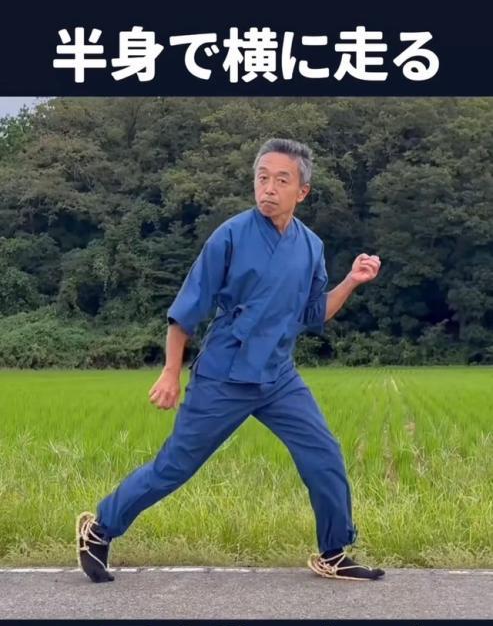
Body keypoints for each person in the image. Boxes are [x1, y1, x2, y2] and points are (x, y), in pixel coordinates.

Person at [77, 138, 384, 583]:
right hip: (225, 374)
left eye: (281, 180)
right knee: (175, 466)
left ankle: (333, 552)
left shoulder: (310, 246)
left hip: (278, 377)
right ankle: (99, 528)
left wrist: (352, 280)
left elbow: (315, 313)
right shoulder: (231, 236)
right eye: (262, 178)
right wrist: (170, 372)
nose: (269, 188)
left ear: (302, 192)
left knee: (324, 454)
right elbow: (188, 307)